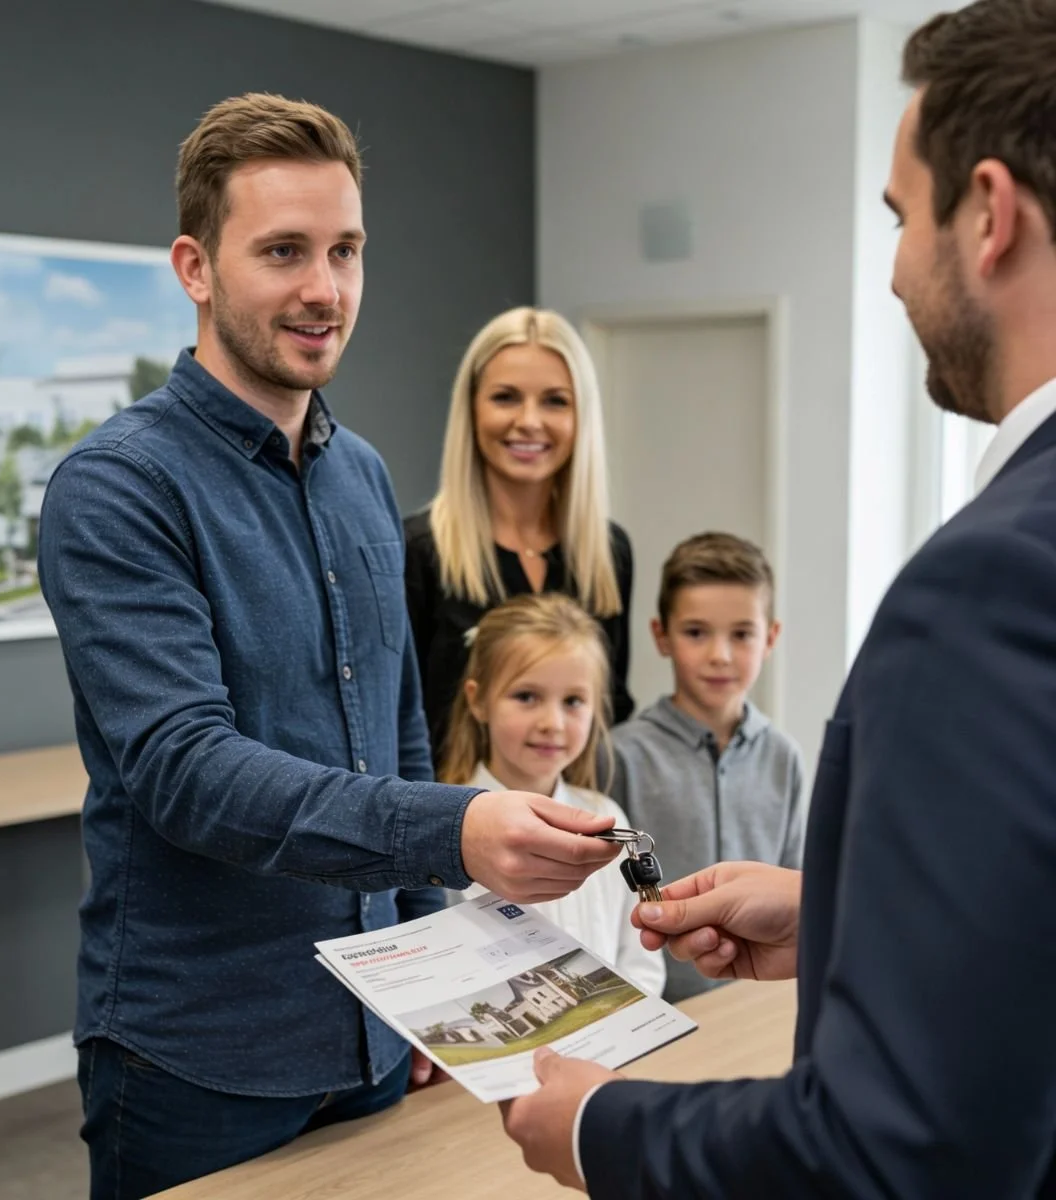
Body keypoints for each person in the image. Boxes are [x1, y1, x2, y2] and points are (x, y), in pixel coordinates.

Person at [502, 1, 1056, 1194]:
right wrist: (847, 923)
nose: (898, 270)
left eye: (903, 221)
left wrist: (603, 1132)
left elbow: (900, 1151)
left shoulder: (994, 579)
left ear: (993, 215)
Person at [37, 93, 619, 1199]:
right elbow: (185, 773)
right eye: (284, 251)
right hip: (200, 1050)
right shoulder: (118, 488)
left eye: (345, 250)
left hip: (374, 1025)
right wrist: (459, 829)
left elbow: (396, 736)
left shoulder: (363, 478)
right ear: (196, 268)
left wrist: (448, 994)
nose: (324, 288)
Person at [404, 307, 635, 764]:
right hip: (451, 822)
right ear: (471, 409)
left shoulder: (608, 554)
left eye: (555, 401)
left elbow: (611, 715)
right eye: (506, 397)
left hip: (573, 821)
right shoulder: (417, 553)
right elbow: (399, 724)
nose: (529, 421)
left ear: (581, 416)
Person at [608, 532, 804, 1001]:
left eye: (741, 634)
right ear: (662, 636)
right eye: (696, 632)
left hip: (761, 1000)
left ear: (771, 637)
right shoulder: (621, 753)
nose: (720, 654)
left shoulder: (783, 756)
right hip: (655, 1005)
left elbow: (795, 879)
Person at [442, 593, 666, 999]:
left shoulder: (606, 817)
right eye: (526, 697)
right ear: (478, 699)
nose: (552, 723)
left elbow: (640, 958)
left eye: (573, 701)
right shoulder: (446, 825)